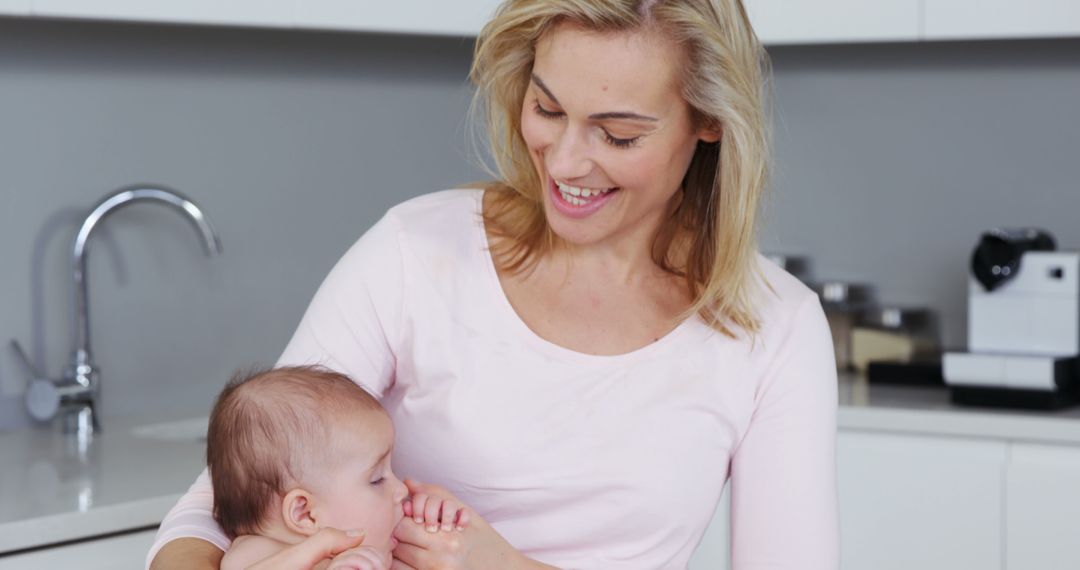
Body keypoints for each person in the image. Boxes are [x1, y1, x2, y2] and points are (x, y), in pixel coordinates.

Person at [148, 0, 839, 568]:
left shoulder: (771, 324)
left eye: (618, 135)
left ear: (711, 122)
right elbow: (216, 513)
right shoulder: (415, 252)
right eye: (547, 108)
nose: (567, 160)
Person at [205, 366, 469, 570]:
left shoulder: (379, 549)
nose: (401, 490)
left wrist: (436, 525)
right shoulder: (256, 553)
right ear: (305, 513)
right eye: (377, 479)